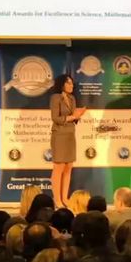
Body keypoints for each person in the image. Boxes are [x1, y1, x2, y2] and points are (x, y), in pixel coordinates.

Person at [49, 74, 85, 208]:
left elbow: (74, 119)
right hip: (59, 135)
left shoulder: (72, 98)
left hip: (70, 134)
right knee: (59, 167)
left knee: (68, 167)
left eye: (72, 83)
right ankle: (57, 199)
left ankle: (65, 198)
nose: (71, 85)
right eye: (68, 83)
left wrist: (78, 115)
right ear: (62, 84)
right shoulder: (55, 97)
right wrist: (72, 117)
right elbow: (55, 118)